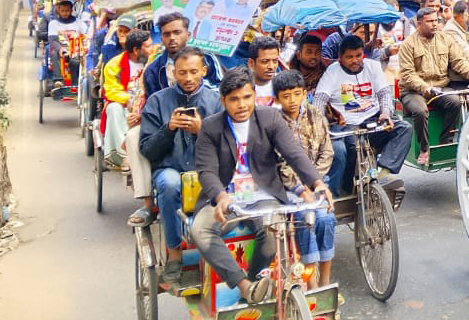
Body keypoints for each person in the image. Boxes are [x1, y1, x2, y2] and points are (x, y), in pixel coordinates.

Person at [192, 69, 333, 304]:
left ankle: (256, 281)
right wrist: (221, 197)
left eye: (247, 97)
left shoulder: (270, 118)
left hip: (263, 195)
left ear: (254, 95)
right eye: (234, 99)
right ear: (223, 100)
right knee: (201, 231)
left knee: (272, 232)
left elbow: (294, 154)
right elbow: (206, 170)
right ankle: (244, 285)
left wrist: (317, 183)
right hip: (225, 198)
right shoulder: (211, 127)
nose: (241, 105)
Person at [134, 48, 223, 280]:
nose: (188, 78)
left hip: (207, 170)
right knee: (170, 183)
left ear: (204, 71)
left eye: (194, 72)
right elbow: (147, 149)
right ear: (174, 73)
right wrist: (169, 129)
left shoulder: (216, 102)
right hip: (169, 169)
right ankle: (174, 253)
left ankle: (218, 251)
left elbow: (227, 147)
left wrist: (202, 131)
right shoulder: (157, 101)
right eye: (182, 73)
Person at [313, 35, 412, 191]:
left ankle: (383, 174)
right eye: (349, 57)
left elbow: (384, 93)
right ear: (340, 58)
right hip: (348, 124)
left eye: (358, 55)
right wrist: (321, 123)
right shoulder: (333, 71)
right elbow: (319, 99)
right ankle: (347, 187)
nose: (355, 60)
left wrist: (385, 113)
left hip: (373, 118)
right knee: (352, 147)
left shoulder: (373, 66)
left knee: (404, 128)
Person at [272, 71, 336, 289]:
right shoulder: (274, 122)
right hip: (289, 187)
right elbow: (281, 163)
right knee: (306, 219)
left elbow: (327, 151)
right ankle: (311, 282)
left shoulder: (315, 115)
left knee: (326, 218)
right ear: (277, 99)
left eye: (297, 94)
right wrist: (301, 186)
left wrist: (314, 179)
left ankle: (325, 279)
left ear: (305, 94)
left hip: (317, 181)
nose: (292, 100)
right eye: (286, 96)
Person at [398, 4, 469, 167]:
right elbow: (407, 74)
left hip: (440, 88)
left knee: (455, 102)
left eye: (436, 20)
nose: (434, 24)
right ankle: (424, 148)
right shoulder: (408, 44)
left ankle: (444, 142)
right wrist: (424, 87)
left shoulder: (445, 39)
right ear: (419, 23)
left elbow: (459, 62)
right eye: (429, 21)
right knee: (420, 111)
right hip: (413, 91)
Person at [101, 29, 152, 169]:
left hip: (147, 105)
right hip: (125, 107)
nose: (152, 49)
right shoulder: (114, 65)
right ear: (136, 50)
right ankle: (124, 154)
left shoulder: (153, 61)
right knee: (113, 108)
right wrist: (130, 100)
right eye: (148, 46)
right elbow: (111, 91)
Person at [143, 11, 223, 96]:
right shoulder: (153, 70)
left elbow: (221, 89)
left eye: (177, 32)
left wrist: (197, 86)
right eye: (166, 34)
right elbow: (153, 102)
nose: (172, 38)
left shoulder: (207, 58)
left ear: (188, 35)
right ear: (161, 39)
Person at [46, 0, 85, 86]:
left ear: (71, 11)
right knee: (54, 54)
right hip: (61, 49)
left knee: (75, 61)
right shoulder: (53, 24)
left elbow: (84, 36)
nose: (65, 13)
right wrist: (60, 49)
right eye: (62, 11)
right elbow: (52, 40)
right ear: (59, 11)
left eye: (67, 11)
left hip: (75, 50)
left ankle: (75, 84)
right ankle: (58, 80)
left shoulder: (78, 23)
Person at [248, 35, 283, 106]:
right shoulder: (240, 87)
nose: (271, 66)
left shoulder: (285, 85)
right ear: (251, 63)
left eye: (275, 61)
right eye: (265, 61)